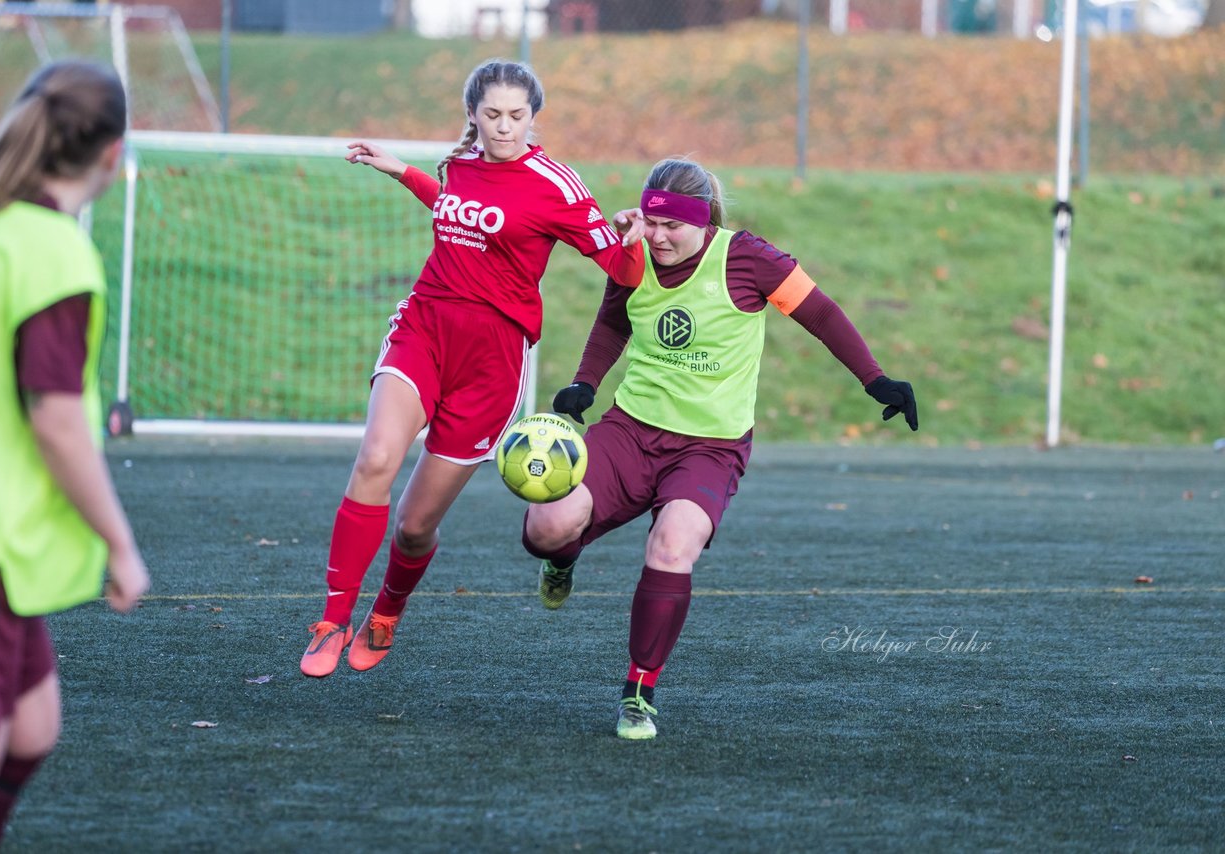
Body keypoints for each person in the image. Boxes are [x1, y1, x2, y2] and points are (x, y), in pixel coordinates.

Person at [522, 157, 919, 740]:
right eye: (651, 224)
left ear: (703, 221)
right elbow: (613, 322)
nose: (657, 237)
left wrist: (876, 380)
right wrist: (585, 383)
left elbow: (822, 314)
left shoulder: (749, 258)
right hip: (631, 430)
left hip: (710, 447)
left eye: (671, 228)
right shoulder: (634, 255)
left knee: (673, 544)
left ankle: (639, 693)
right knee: (544, 528)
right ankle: (564, 558)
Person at [299, 59, 645, 677]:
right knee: (376, 458)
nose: (505, 127)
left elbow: (621, 273)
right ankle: (332, 619)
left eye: (516, 115)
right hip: (424, 329)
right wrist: (401, 171)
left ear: (534, 117)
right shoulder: (456, 165)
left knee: (413, 528)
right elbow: (457, 208)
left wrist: (632, 237)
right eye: (492, 115)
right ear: (473, 116)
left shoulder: (556, 185)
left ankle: (387, 611)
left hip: (492, 363)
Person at [0, 60, 150, 851]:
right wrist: (121, 545)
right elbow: (58, 422)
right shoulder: (52, 254)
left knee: (32, 729)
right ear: (112, 154)